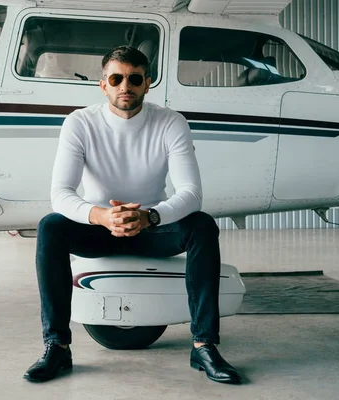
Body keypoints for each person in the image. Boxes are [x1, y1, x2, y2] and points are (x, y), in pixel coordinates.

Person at [23, 45, 241, 384]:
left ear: (147, 84)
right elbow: (60, 194)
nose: (126, 86)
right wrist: (102, 216)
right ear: (103, 84)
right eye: (116, 78)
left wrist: (150, 217)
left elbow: (191, 193)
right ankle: (57, 347)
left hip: (153, 228)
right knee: (51, 226)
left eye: (134, 78)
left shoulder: (170, 122)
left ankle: (204, 346)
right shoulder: (80, 123)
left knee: (202, 226)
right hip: (98, 229)